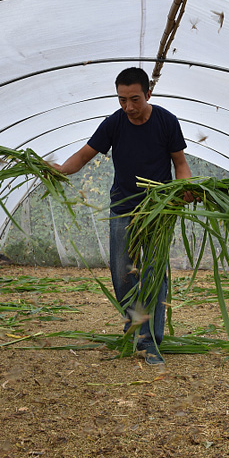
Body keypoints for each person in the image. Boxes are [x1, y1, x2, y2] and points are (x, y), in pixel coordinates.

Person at [52, 67, 192, 364]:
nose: (128, 106)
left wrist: (183, 189)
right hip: (123, 207)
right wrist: (61, 169)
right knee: (122, 271)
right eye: (122, 99)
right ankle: (135, 324)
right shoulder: (114, 124)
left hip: (158, 210)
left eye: (134, 99)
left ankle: (151, 341)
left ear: (148, 94)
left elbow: (180, 164)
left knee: (154, 274)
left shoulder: (166, 121)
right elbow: (84, 155)